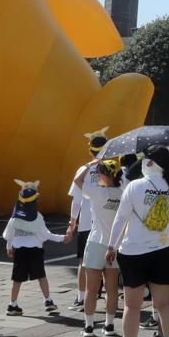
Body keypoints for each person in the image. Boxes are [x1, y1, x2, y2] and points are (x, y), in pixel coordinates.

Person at [105, 145, 169, 337]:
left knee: (132, 306)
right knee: (164, 304)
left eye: (146, 159)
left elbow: (120, 219)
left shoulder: (134, 186)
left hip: (133, 251)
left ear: (151, 163)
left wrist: (111, 245)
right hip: (165, 250)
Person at [72, 157, 123, 337]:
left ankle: (88, 327)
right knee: (111, 289)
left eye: (99, 172)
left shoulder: (95, 192)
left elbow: (77, 181)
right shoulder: (123, 192)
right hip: (115, 246)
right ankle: (109, 325)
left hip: (95, 243)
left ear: (103, 174)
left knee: (91, 289)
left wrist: (89, 165)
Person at [3, 179, 67, 316]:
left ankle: (12, 304)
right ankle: (48, 301)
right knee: (41, 276)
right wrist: (62, 238)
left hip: (19, 251)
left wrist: (9, 246)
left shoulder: (15, 217)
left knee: (17, 279)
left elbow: (9, 234)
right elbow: (46, 235)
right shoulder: (38, 217)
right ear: (35, 201)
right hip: (35, 251)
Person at [67, 127, 111, 310]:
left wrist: (72, 222)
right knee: (110, 265)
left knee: (83, 262)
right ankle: (111, 302)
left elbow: (76, 200)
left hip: (86, 223)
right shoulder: (113, 170)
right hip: (109, 223)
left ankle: (81, 297)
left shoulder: (83, 170)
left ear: (90, 149)